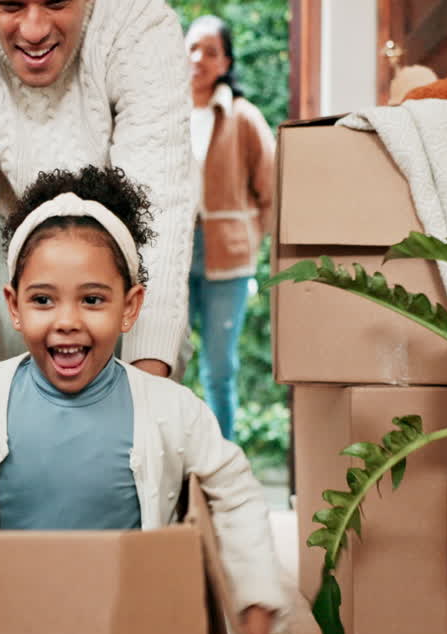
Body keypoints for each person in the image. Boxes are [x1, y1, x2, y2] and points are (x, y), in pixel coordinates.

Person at [0, 166, 285, 634]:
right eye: (43, 299)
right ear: (14, 306)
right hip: (3, 633)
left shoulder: (169, 408)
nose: (67, 320)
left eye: (93, 299)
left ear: (130, 306)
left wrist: (253, 595)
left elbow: (233, 489)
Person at [0, 0, 194, 389]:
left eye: (56, 3)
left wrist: (149, 401)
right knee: (12, 361)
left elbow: (158, 206)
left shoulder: (141, 21)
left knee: (147, 347)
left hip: (116, 225)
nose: (34, 29)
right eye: (11, 5)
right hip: (6, 227)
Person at [185, 15, 276, 439]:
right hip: (173, 255)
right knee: (163, 362)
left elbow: (273, 190)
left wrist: (252, 240)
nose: (199, 58)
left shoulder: (243, 117)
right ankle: (171, 463)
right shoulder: (162, 115)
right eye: (193, 48)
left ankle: (223, 462)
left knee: (219, 368)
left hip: (229, 259)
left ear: (226, 62)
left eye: (211, 51)